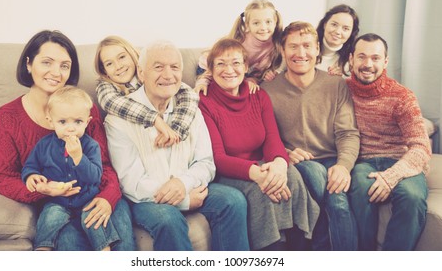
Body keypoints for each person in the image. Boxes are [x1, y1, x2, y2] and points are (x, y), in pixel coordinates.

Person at [0, 30, 135, 251]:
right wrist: (41, 189)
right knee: (68, 242)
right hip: (56, 204)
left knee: (118, 242)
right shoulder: (5, 118)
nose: (56, 72)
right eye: (47, 62)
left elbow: (103, 165)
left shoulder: (85, 110)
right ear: (29, 64)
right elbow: (0, 177)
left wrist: (108, 196)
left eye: (64, 65)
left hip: (95, 193)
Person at [105, 40, 249, 251]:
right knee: (168, 218)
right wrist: (183, 200)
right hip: (145, 201)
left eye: (174, 67)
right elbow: (131, 183)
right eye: (158, 67)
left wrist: (183, 183)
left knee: (233, 200)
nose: (168, 75)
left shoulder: (189, 109)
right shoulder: (117, 119)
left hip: (188, 186)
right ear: (141, 73)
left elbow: (206, 162)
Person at [198, 38, 319, 251]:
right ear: (210, 69)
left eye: (236, 63)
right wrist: (257, 174)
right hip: (228, 173)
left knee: (293, 178)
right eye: (221, 64)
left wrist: (280, 164)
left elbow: (272, 138)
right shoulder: (205, 102)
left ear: (246, 67)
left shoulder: (258, 95)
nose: (229, 70)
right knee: (260, 193)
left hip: (262, 163)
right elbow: (217, 158)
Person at [262, 21, 360, 251]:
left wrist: (343, 166)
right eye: (293, 47)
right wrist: (284, 153)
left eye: (307, 45)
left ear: (317, 49)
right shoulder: (267, 90)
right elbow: (263, 137)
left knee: (338, 203)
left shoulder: (335, 84)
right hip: (294, 164)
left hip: (331, 160)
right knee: (335, 201)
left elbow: (348, 133)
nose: (301, 53)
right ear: (282, 51)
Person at [347, 33, 431, 250]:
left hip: (400, 160)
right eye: (362, 57)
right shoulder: (341, 91)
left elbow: (421, 146)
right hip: (363, 162)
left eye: (375, 58)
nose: (367, 64)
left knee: (411, 197)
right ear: (351, 60)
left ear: (385, 62)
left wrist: (391, 177)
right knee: (361, 188)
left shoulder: (402, 96)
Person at [21, 86, 117, 251]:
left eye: (78, 121)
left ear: (87, 122)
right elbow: (30, 166)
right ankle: (43, 248)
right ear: (51, 122)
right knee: (50, 215)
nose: (70, 128)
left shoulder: (91, 146)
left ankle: (104, 248)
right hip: (57, 201)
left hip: (87, 198)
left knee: (93, 217)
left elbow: (95, 177)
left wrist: (79, 157)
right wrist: (31, 176)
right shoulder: (44, 145)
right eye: (63, 122)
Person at [95, 35, 199, 147]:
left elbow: (190, 95)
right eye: (109, 64)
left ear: (133, 55)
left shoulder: (148, 74)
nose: (118, 66)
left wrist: (177, 129)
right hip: (131, 136)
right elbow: (110, 101)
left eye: (121, 57)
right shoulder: (104, 86)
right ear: (104, 71)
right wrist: (154, 119)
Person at [194, 0, 284, 95]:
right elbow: (217, 65)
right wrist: (203, 81)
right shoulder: (241, 41)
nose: (263, 27)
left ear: (275, 22)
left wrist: (253, 80)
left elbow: (256, 73)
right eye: (256, 23)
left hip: (238, 70)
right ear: (247, 25)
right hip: (209, 67)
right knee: (215, 92)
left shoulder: (276, 45)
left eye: (268, 22)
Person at [316, 4, 359, 76]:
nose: (338, 32)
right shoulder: (307, 50)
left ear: (351, 33)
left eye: (345, 28)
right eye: (334, 25)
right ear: (325, 24)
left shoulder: (351, 63)